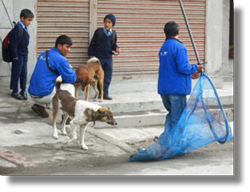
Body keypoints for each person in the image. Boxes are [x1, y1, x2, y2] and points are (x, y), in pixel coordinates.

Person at [158, 21, 203, 135]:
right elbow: (183, 67)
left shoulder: (164, 47)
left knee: (172, 116)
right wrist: (195, 67)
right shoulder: (180, 47)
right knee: (178, 119)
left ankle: (166, 142)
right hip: (176, 90)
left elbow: (172, 68)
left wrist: (191, 72)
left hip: (164, 89)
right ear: (178, 32)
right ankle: (174, 146)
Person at [28, 35, 77, 118]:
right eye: (67, 47)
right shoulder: (61, 59)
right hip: (43, 95)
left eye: (70, 47)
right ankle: (66, 116)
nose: (69, 50)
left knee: (51, 81)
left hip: (31, 93)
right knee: (70, 87)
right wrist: (70, 68)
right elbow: (72, 79)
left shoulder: (44, 53)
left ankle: (40, 106)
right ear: (59, 46)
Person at [88, 14, 121, 100]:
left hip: (108, 58)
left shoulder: (113, 33)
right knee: (98, 76)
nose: (107, 24)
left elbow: (113, 44)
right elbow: (93, 44)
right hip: (99, 59)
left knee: (107, 76)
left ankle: (105, 93)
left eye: (109, 22)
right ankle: (98, 93)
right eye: (105, 22)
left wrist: (117, 48)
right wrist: (91, 56)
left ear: (112, 24)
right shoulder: (99, 32)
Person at [10, 9, 34, 100]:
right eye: (29, 20)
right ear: (22, 18)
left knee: (24, 73)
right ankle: (15, 91)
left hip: (24, 54)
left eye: (31, 20)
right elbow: (13, 44)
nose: (30, 22)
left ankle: (23, 90)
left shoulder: (24, 28)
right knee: (16, 73)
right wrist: (15, 56)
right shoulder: (18, 28)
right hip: (18, 55)